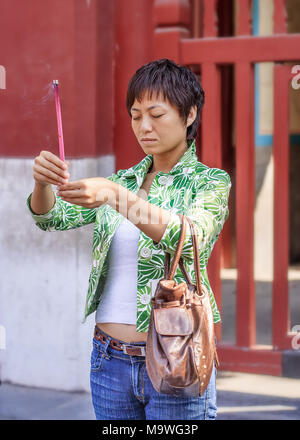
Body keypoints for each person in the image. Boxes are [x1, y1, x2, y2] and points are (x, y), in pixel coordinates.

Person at [26, 58, 231, 420]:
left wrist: (112, 195)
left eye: (156, 114)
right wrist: (42, 183)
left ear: (189, 115)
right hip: (109, 360)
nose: (144, 126)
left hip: (177, 357)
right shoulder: (122, 180)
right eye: (136, 116)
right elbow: (51, 219)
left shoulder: (210, 182)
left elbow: (190, 235)